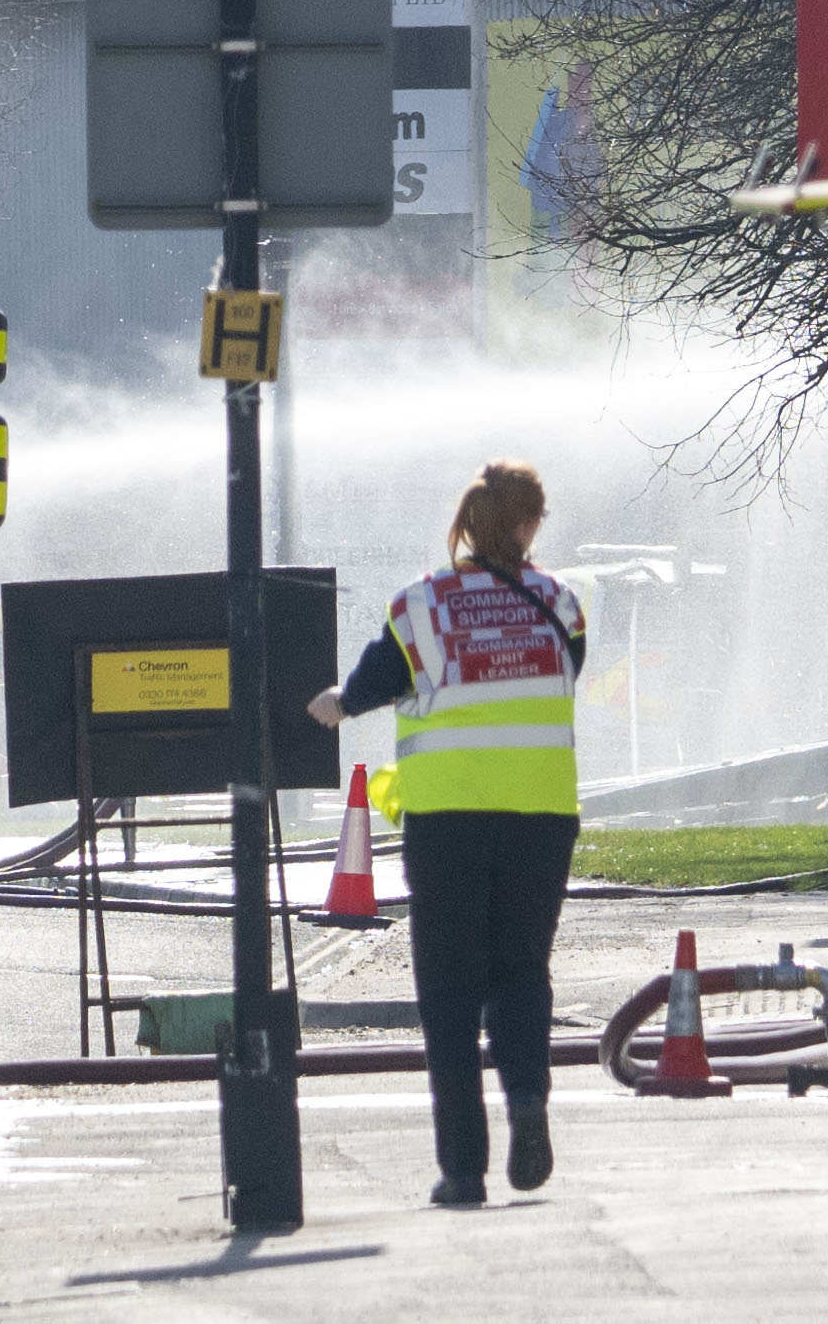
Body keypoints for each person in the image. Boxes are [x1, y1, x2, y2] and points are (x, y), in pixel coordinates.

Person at [309, 461, 583, 1208]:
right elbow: (568, 673)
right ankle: (526, 1099)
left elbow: (368, 685)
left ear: (469, 520)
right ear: (527, 526)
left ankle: (463, 1168)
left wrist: (334, 703)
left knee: (450, 990)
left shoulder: (422, 604)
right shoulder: (560, 603)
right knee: (522, 969)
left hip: (447, 823)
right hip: (541, 814)